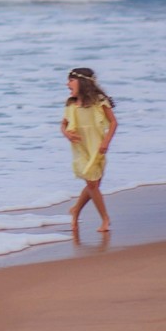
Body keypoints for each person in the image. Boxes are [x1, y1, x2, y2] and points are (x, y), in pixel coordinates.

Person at [61, 67, 117, 233]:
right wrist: (67, 134)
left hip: (97, 146)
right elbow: (63, 124)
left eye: (71, 80)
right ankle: (105, 219)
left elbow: (113, 123)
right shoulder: (71, 103)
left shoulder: (99, 101)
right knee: (92, 183)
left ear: (82, 82)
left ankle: (76, 209)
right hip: (80, 148)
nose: (67, 84)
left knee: (93, 184)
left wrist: (106, 142)